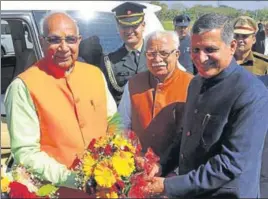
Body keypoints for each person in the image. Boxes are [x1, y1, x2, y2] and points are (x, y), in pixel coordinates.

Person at [144, 13, 268, 198]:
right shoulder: (196, 83)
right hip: (192, 191)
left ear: (232, 46)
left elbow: (231, 164)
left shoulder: (251, 93)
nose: (201, 58)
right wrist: (162, 165)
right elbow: (186, 135)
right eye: (195, 49)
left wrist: (169, 186)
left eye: (210, 49)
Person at [4, 12, 117, 188]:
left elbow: (114, 120)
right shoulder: (23, 86)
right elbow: (26, 152)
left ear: (79, 40)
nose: (64, 47)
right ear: (42, 41)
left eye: (71, 39)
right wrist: (75, 180)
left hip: (105, 187)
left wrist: (118, 158)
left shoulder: (95, 74)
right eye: (55, 40)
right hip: (57, 190)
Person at [118, 30, 193, 175]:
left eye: (164, 53)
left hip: (176, 173)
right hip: (137, 167)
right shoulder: (134, 84)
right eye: (151, 54)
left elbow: (192, 136)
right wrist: (131, 154)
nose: (157, 59)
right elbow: (121, 124)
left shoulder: (192, 84)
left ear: (177, 54)